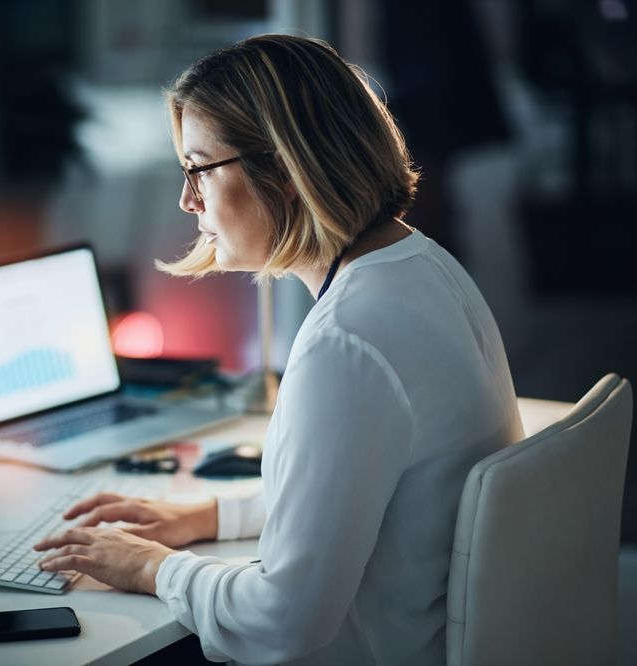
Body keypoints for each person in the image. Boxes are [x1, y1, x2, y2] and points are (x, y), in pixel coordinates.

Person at [35, 34, 524, 665]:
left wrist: (155, 569)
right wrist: (210, 515)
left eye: (199, 169)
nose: (187, 200)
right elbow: (359, 489)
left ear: (285, 172)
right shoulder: (423, 266)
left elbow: (283, 620)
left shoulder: (345, 343)